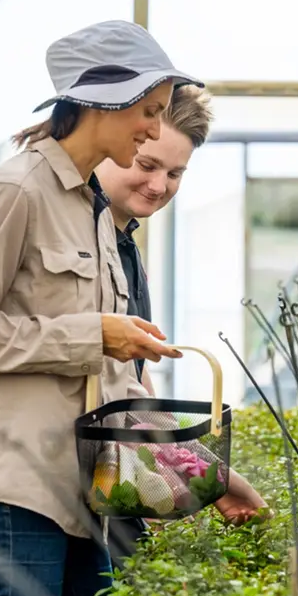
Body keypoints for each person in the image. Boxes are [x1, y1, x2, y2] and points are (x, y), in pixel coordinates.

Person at [0, 20, 201, 596]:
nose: (149, 128)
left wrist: (202, 473)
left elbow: (110, 381)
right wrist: (93, 333)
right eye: (147, 111)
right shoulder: (13, 191)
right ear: (98, 103)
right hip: (16, 495)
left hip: (85, 498)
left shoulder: (92, 212)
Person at [95, 85, 268, 571]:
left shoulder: (125, 242)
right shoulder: (83, 238)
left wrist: (194, 473)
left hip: (108, 479)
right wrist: (207, 474)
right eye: (146, 165)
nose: (159, 186)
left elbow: (133, 383)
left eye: (175, 173)